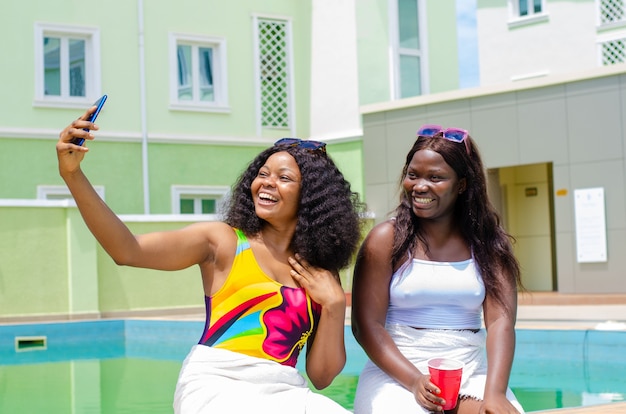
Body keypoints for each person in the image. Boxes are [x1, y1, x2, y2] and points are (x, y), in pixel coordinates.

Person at [56, 106, 365, 414]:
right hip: (217, 385)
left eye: (284, 178)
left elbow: (322, 378)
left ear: (311, 197)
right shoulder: (223, 241)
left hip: (284, 389)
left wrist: (336, 306)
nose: (267, 183)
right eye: (262, 174)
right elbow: (127, 250)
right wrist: (73, 174)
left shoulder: (319, 272)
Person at [351, 124, 525, 413]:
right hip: (397, 373)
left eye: (436, 178)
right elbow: (365, 325)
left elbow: (500, 323)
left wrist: (494, 392)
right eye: (413, 175)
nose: (420, 186)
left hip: (469, 369)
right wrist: (415, 380)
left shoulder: (488, 244)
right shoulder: (386, 240)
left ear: (462, 185)